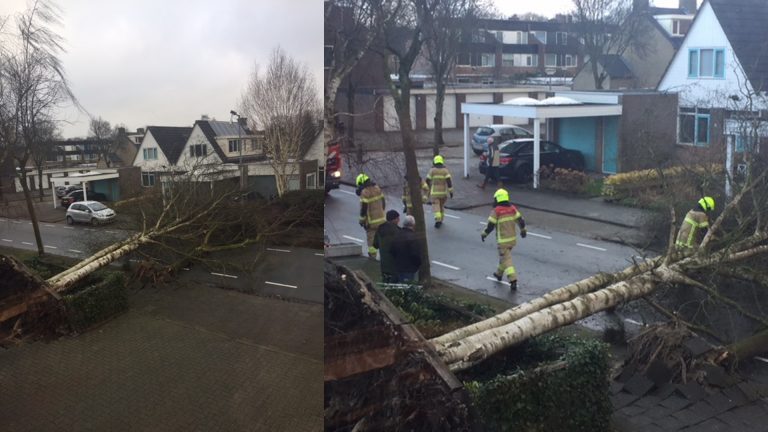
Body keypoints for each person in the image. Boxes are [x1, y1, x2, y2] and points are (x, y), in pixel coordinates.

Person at [481, 188, 527, 291]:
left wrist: (484, 234)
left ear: (497, 199)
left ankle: (513, 280)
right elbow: (521, 220)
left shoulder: (496, 211)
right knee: (504, 257)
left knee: (507, 259)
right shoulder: (512, 208)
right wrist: (523, 230)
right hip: (512, 240)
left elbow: (490, 226)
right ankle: (498, 274)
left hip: (503, 242)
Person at [356, 173, 386, 258]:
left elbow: (364, 209)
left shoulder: (364, 192)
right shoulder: (377, 188)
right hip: (382, 220)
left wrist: (362, 220)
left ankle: (372, 259)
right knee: (382, 241)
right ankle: (384, 258)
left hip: (371, 223)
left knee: (372, 243)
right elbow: (383, 203)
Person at [373, 210, 402, 283]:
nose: (399, 220)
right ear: (394, 219)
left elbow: (375, 245)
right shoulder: (397, 231)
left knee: (386, 283)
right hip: (395, 265)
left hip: (384, 265)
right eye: (398, 218)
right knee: (395, 286)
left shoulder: (380, 228)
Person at [425, 155, 453, 228]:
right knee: (441, 206)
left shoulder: (432, 170)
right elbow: (449, 181)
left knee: (436, 206)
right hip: (443, 193)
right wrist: (451, 191)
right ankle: (441, 219)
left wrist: (426, 190)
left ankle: (438, 220)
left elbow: (427, 180)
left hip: (434, 193)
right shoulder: (445, 170)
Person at [392, 215, 422, 283]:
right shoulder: (413, 238)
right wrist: (418, 264)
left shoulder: (397, 235)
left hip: (398, 267)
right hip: (410, 269)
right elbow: (416, 254)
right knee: (409, 288)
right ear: (413, 225)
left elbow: (392, 250)